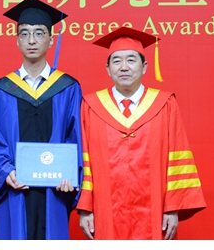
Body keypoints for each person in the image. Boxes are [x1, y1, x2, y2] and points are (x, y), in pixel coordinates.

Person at [78, 28, 206, 239]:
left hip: (155, 210)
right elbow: (84, 160)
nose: (124, 67)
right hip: (105, 209)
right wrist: (86, 207)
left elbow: (177, 154)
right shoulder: (90, 106)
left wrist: (172, 208)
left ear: (144, 66)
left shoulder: (165, 104)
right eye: (117, 61)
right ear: (108, 69)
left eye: (131, 60)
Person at [0, 0, 82, 239]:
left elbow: (76, 138)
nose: (31, 40)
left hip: (54, 193)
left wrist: (69, 173)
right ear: (17, 40)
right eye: (24, 34)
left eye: (39, 33)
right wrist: (4, 172)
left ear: (51, 40)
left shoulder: (68, 88)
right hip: (14, 191)